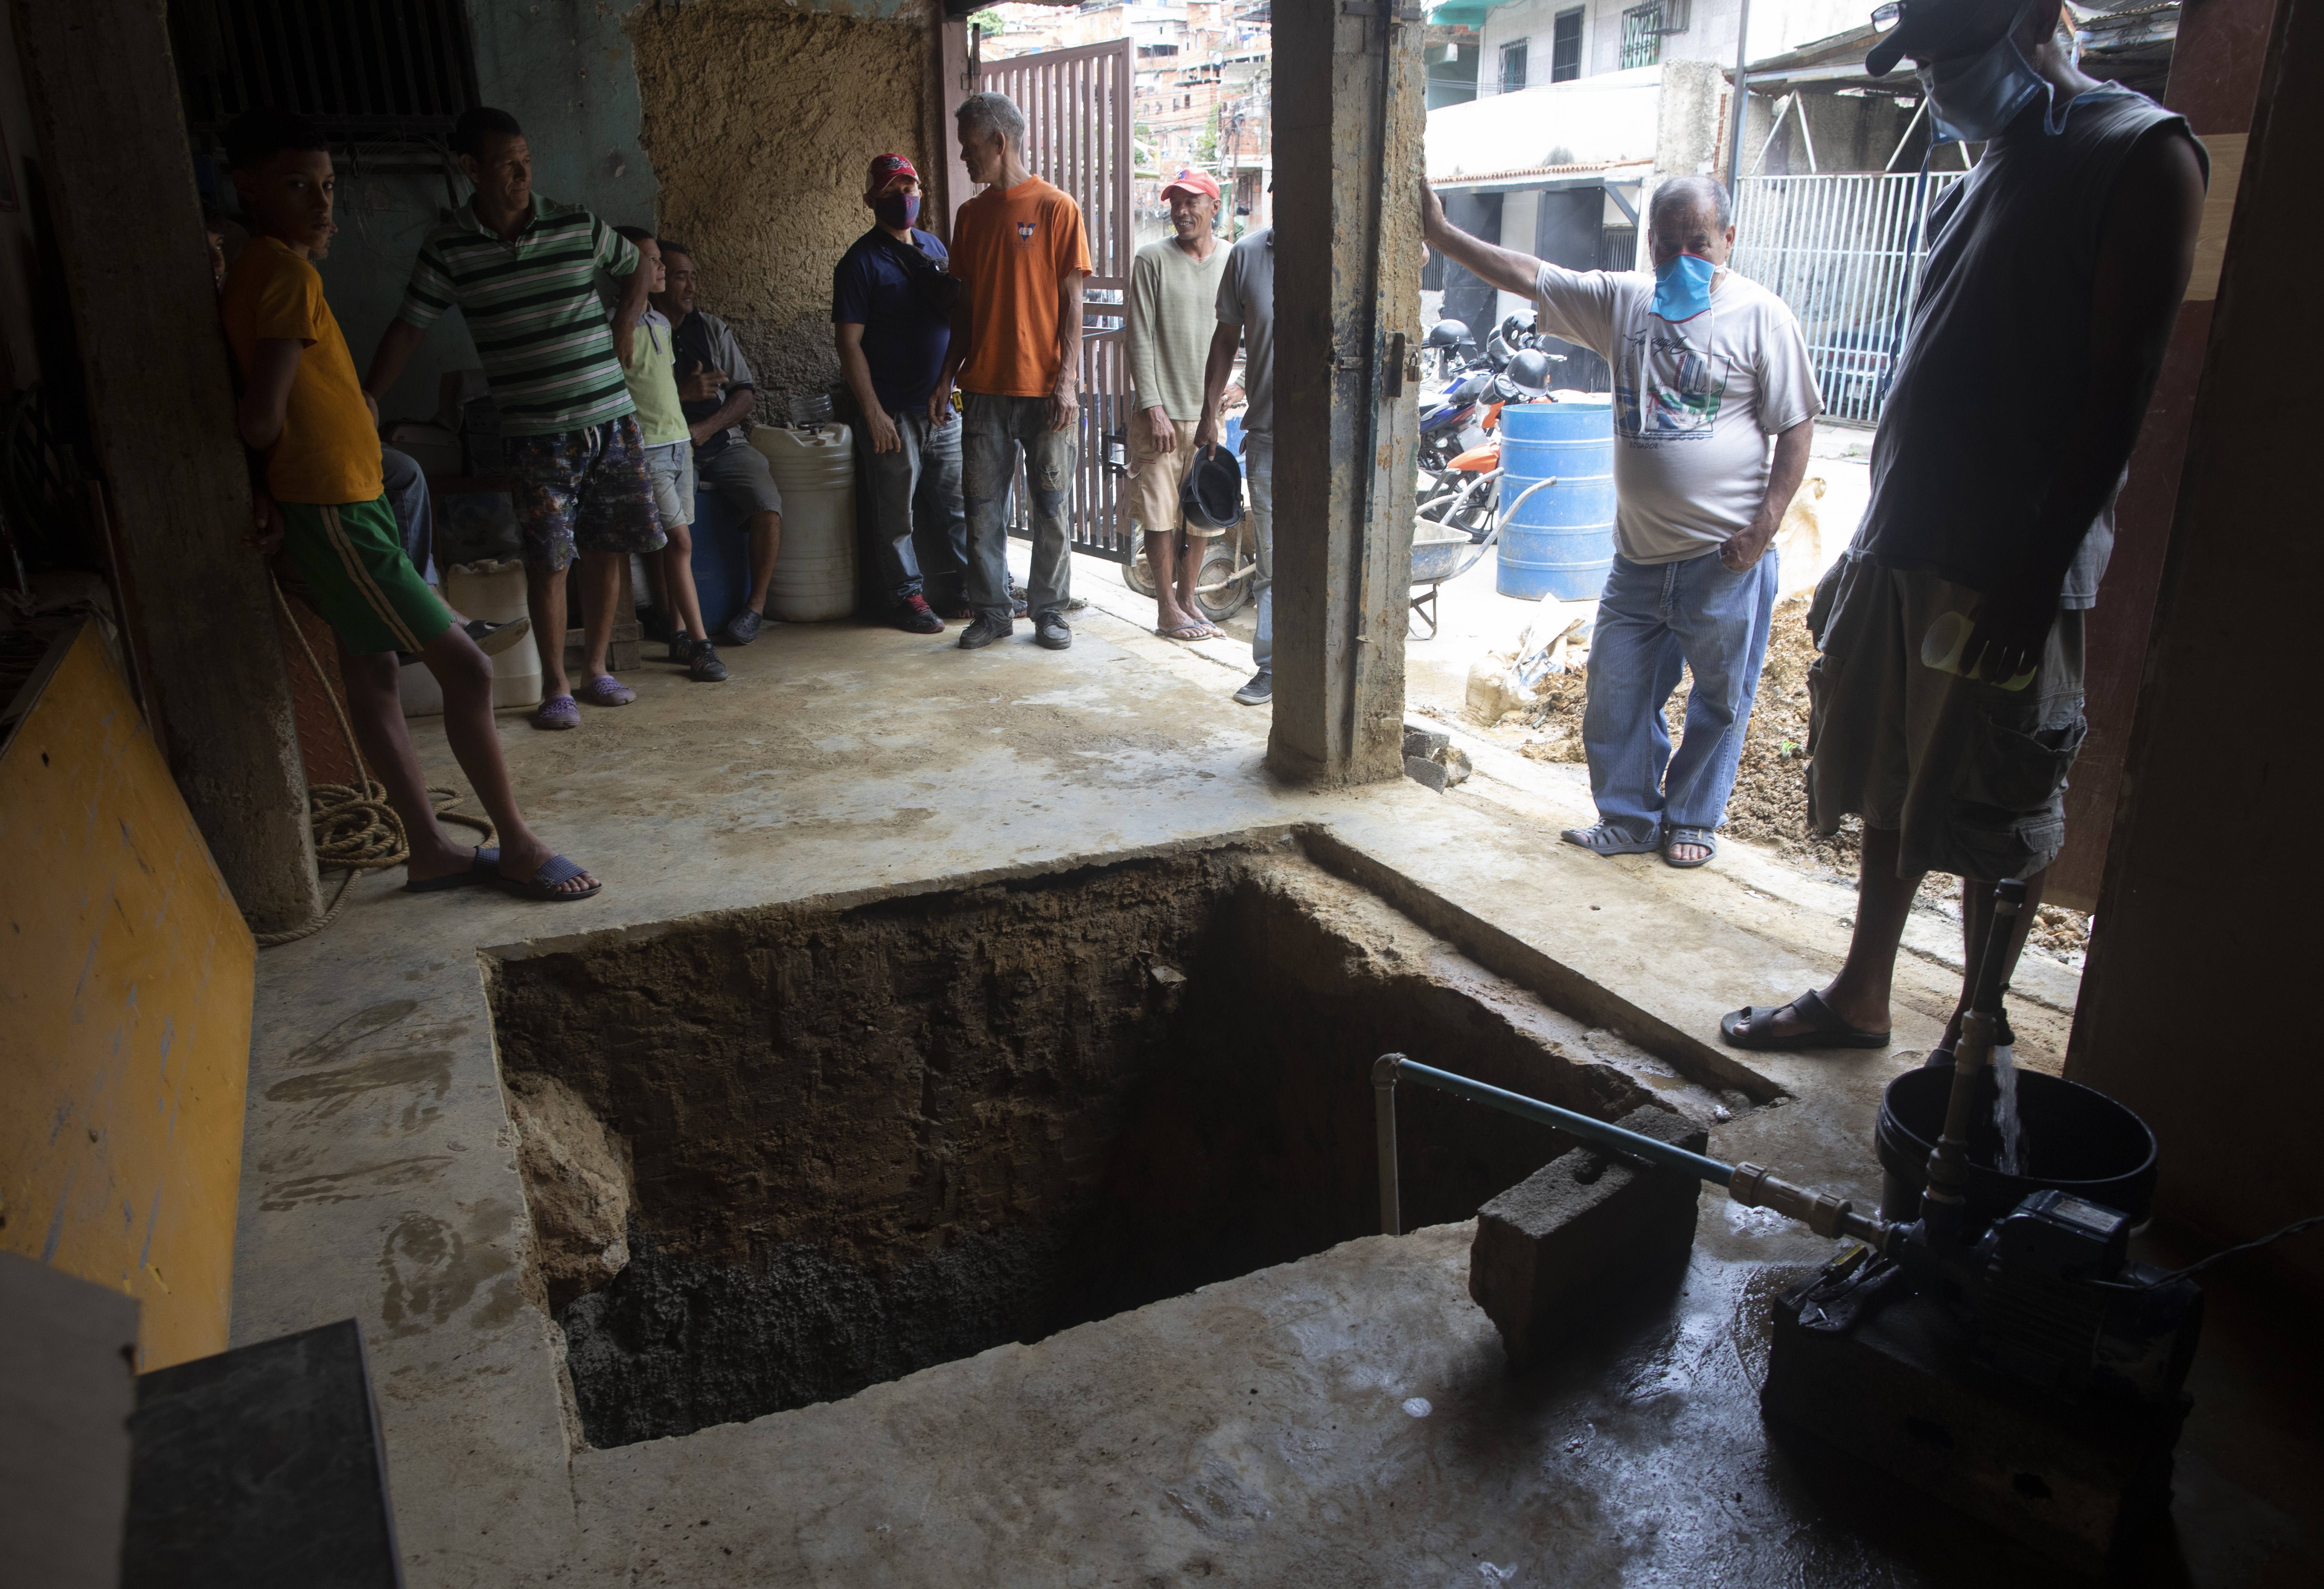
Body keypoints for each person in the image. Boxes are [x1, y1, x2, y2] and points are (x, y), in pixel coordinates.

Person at [1721, 0, 2205, 1053]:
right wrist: (1873, 531)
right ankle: (1862, 992)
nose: (1934, 76)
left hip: (2011, 561)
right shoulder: (1987, 164)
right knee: (1894, 774)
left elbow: (2121, 385)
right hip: (1909, 537)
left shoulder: (2140, 154)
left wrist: (2036, 572)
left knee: (2002, 797)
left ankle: (1973, 1037)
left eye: (1951, 52)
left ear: (2034, 18)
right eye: (1924, 56)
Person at [218, 108, 598, 902]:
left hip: (347, 491)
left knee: (373, 672)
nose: (322, 205)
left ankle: (428, 847)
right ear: (247, 187)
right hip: (334, 501)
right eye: (298, 187)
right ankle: (520, 844)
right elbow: (260, 413)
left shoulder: (264, 266)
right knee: (463, 670)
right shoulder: (283, 274)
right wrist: (262, 473)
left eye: (327, 186)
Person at [1423, 174, 1818, 869]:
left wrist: (1764, 526)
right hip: (1637, 559)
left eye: (1699, 244)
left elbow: (1795, 427)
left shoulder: (1763, 316)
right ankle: (1630, 818)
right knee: (1616, 691)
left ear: (1728, 240)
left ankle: (1693, 818)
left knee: (1720, 699)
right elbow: (1530, 274)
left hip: (1723, 559)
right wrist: (1443, 236)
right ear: (1650, 246)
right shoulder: (1626, 303)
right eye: (1667, 247)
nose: (1682, 260)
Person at [362, 106, 664, 731]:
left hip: (609, 417)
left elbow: (637, 260)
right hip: (534, 432)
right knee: (549, 558)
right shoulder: (449, 247)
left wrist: (626, 320)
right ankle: (556, 685)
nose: (522, 172)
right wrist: (368, 397)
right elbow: (409, 327)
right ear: (471, 169)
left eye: (526, 158)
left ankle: (597, 670)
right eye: (507, 163)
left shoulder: (575, 224)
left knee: (608, 547)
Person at [935, 91, 1091, 652]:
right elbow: (966, 307)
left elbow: (1074, 303)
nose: (963, 158)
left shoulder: (1056, 208)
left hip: (1047, 390)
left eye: (969, 147)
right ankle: (992, 611)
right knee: (981, 510)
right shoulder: (971, 217)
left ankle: (1049, 611)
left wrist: (1068, 379)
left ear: (999, 142)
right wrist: (947, 375)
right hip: (983, 390)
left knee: (1051, 506)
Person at [832, 153, 970, 633]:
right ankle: (906, 597)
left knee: (958, 506)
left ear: (922, 194)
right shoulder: (860, 262)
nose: (903, 198)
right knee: (895, 516)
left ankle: (971, 587)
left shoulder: (933, 247)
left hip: (941, 407)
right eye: (891, 191)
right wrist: (872, 411)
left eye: (909, 189)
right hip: (892, 412)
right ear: (871, 200)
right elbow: (848, 343)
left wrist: (948, 385)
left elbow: (958, 320)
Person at [653, 241, 787, 646]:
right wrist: (683, 395)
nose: (691, 286)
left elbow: (744, 395)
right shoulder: (643, 331)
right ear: (656, 281)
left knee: (767, 503)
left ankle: (755, 608)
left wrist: (708, 427)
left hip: (720, 439)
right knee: (676, 528)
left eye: (693, 276)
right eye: (680, 276)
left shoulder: (710, 328)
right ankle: (675, 624)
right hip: (670, 447)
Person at [613, 225, 726, 683]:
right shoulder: (613, 325)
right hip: (648, 451)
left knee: (677, 546)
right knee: (679, 544)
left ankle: (677, 634)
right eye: (651, 261)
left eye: (661, 260)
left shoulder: (659, 324)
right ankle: (701, 644)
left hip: (680, 446)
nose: (659, 268)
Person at [1129, 169, 1233, 643]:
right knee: (1159, 512)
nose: (1182, 211)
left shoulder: (1234, 259)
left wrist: (1240, 390)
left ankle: (1189, 598)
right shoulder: (1151, 259)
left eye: (1193, 202)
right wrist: (1153, 406)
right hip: (1163, 416)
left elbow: (1250, 332)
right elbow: (1139, 337)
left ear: (1216, 206)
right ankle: (1167, 608)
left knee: (1204, 513)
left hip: (1211, 414)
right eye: (1175, 202)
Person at [1196, 221, 1268, 705]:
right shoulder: (1248, 255)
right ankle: (1273, 667)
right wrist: (1210, 413)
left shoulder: (1353, 241)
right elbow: (1226, 339)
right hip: (1271, 434)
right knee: (1276, 560)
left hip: (1340, 439)